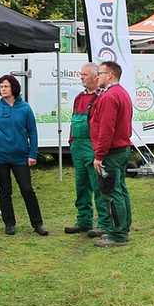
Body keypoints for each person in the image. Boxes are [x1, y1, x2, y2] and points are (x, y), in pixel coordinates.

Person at [0, 74, 47, 236]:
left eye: (6, 86)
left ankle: (38, 223)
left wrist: (32, 154)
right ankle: (9, 224)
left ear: (14, 88)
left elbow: (33, 132)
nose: (3, 89)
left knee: (27, 189)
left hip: (21, 157)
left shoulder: (25, 108)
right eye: (1, 86)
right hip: (0, 157)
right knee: (5, 191)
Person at [89, 60, 134, 247]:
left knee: (112, 192)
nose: (97, 76)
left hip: (112, 152)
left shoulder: (109, 96)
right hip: (121, 149)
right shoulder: (122, 93)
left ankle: (118, 234)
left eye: (100, 73)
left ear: (110, 75)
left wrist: (99, 155)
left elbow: (106, 129)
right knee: (120, 189)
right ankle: (123, 227)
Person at [65, 63, 110, 237]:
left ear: (94, 76)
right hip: (77, 146)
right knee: (81, 185)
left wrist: (99, 149)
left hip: (92, 146)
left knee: (98, 186)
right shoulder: (78, 97)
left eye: (84, 74)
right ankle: (83, 220)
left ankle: (104, 222)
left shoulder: (101, 97)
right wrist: (71, 140)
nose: (81, 77)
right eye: (81, 74)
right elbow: (74, 120)